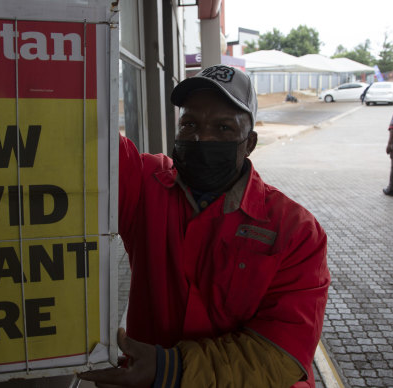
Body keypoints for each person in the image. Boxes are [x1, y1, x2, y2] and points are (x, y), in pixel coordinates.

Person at [79, 65, 330, 387]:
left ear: (249, 142)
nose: (202, 138)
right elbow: (91, 141)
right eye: (189, 124)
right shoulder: (145, 185)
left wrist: (170, 368)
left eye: (224, 127)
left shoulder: (295, 230)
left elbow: (281, 354)